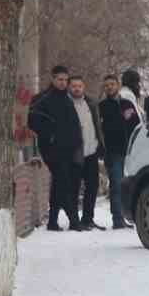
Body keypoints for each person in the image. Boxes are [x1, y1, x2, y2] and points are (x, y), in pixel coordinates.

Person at [27, 65, 82, 231]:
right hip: (52, 149)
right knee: (63, 182)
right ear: (53, 79)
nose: (63, 83)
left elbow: (72, 124)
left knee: (59, 183)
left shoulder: (66, 98)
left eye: (66, 80)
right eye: (60, 79)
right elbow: (33, 122)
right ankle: (74, 220)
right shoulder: (42, 98)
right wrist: (50, 136)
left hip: (68, 149)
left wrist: (76, 142)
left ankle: (52, 221)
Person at [98, 72, 140, 229]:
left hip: (129, 152)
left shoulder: (127, 105)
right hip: (112, 152)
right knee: (116, 185)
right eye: (107, 85)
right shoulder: (101, 107)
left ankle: (127, 216)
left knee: (128, 185)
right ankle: (117, 218)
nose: (109, 88)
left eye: (112, 85)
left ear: (118, 86)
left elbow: (135, 124)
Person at [70, 76, 105, 230]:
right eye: (74, 86)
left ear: (84, 87)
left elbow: (97, 124)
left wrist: (100, 144)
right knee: (74, 187)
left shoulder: (91, 103)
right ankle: (74, 220)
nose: (77, 88)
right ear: (70, 88)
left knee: (92, 186)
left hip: (92, 150)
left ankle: (88, 218)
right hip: (74, 152)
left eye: (79, 86)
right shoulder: (67, 104)